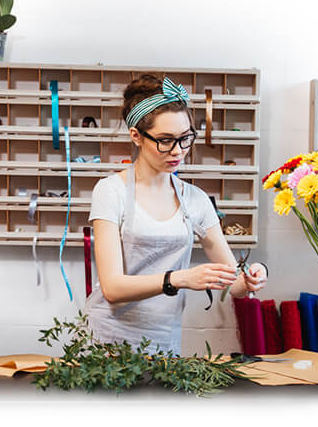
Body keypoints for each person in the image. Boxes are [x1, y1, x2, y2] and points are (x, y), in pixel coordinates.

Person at [84, 74, 267, 355]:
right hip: (108, 342)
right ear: (136, 136)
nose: (178, 151)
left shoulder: (196, 201)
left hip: (164, 342)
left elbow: (233, 285)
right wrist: (179, 279)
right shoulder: (111, 191)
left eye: (185, 138)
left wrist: (252, 278)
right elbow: (112, 288)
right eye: (165, 140)